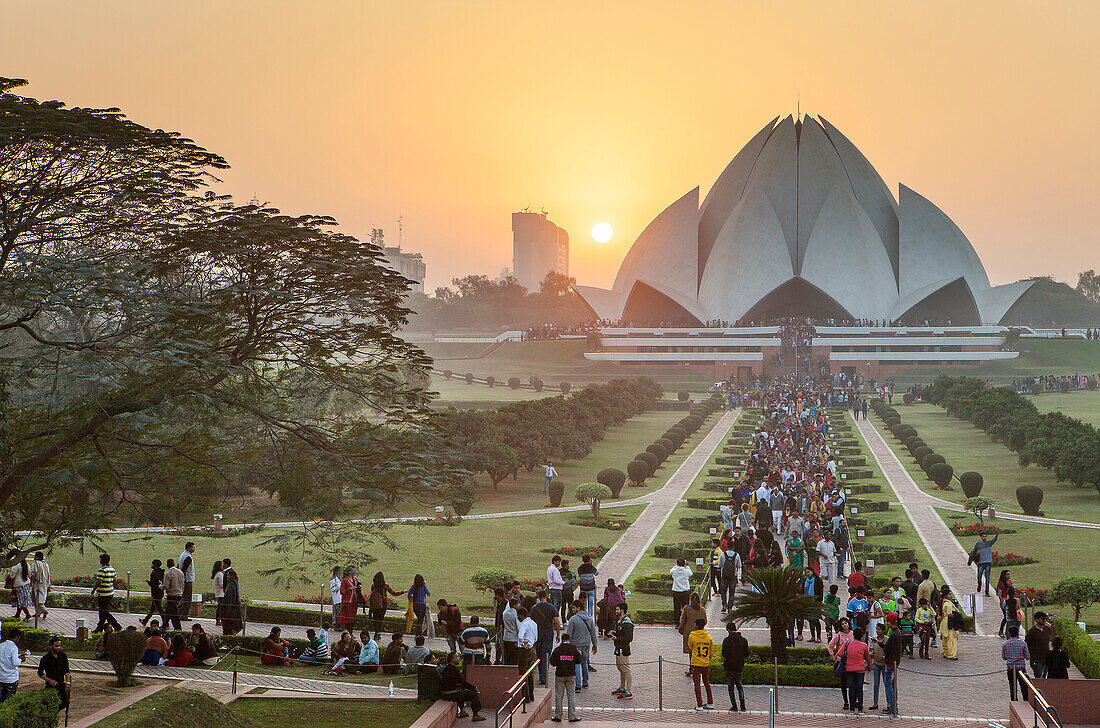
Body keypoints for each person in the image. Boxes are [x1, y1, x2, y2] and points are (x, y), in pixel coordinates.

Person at [440, 652, 487, 722]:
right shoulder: (454, 670)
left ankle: (462, 711)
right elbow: (463, 682)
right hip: (450, 694)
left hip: (446, 693)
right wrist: (474, 687)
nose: (459, 658)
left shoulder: (447, 668)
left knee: (461, 691)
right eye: (457, 657)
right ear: (452, 659)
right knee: (473, 694)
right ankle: (475, 715)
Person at [549, 633, 582, 723]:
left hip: (559, 674)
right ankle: (572, 716)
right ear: (569, 639)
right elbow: (579, 661)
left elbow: (552, 663)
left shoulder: (557, 650)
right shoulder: (574, 649)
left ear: (562, 640)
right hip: (571, 675)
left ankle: (558, 716)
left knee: (559, 695)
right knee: (571, 695)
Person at [565, 599, 597, 691]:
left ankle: (578, 683)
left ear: (579, 608)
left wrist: (566, 645)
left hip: (576, 644)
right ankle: (585, 681)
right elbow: (593, 633)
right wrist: (595, 645)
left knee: (577, 664)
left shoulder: (573, 619)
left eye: (574, 608)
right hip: (586, 643)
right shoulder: (589, 618)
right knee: (585, 662)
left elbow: (569, 634)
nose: (572, 610)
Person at [531, 590, 561, 686]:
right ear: (547, 596)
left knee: (539, 654)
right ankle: (544, 674)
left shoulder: (534, 608)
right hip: (548, 632)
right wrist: (558, 634)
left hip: (537, 633)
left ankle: (541, 675)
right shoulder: (551, 607)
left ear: (538, 597)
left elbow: (530, 622)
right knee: (546, 654)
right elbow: (556, 621)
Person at [827, 617, 855, 710]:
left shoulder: (853, 634)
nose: (845, 625)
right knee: (843, 683)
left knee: (852, 682)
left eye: (846, 623)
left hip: (851, 661)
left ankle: (853, 701)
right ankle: (846, 702)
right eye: (843, 624)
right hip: (842, 661)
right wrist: (834, 657)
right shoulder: (838, 636)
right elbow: (830, 646)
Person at [843, 627, 872, 714]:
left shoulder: (847, 644)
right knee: (859, 688)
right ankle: (860, 709)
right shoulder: (864, 645)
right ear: (862, 635)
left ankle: (852, 709)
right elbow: (868, 658)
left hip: (849, 669)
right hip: (860, 669)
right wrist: (869, 666)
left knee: (851, 688)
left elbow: (839, 654)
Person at [687, 617, 714, 711]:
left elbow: (690, 646)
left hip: (696, 663)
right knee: (707, 683)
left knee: (697, 684)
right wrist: (706, 659)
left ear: (697, 625)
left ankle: (699, 705)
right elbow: (711, 652)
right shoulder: (709, 637)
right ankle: (710, 703)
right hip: (705, 663)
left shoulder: (692, 636)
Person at [678, 592, 707, 676]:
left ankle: (692, 668)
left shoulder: (686, 608)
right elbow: (705, 621)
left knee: (691, 652)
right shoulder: (702, 610)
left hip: (689, 633)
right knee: (698, 651)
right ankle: (698, 668)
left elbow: (682, 619)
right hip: (700, 632)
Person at [722, 621, 748, 712]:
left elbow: (724, 654)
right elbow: (746, 654)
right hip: (739, 666)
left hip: (729, 667)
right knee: (739, 686)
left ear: (728, 630)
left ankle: (734, 706)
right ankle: (743, 706)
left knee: (731, 688)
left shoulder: (726, 640)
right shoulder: (743, 640)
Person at [93, 553, 122, 633]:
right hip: (110, 593)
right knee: (102, 612)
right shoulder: (112, 569)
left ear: (102, 561)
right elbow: (115, 581)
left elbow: (99, 581)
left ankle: (116, 625)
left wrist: (94, 589)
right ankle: (99, 629)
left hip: (103, 594)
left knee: (103, 611)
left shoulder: (102, 570)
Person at [610, 602, 633, 700]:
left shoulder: (627, 622)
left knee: (626, 669)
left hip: (623, 649)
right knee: (620, 668)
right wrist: (613, 633)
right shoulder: (619, 621)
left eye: (617, 609)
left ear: (622, 610)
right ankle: (622, 687)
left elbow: (628, 638)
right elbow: (620, 633)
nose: (615, 611)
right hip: (618, 648)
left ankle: (628, 690)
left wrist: (616, 638)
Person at [38, 636, 69, 710]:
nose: (58, 648)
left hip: (61, 683)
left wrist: (68, 682)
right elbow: (40, 672)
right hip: (50, 685)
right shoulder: (45, 658)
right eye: (56, 646)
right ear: (51, 646)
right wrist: (49, 680)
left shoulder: (63, 656)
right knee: (50, 704)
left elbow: (66, 670)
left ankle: (54, 713)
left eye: (59, 646)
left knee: (65, 703)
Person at [369, 571, 401, 640]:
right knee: (380, 619)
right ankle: (378, 633)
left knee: (376, 619)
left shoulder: (373, 586)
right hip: (383, 604)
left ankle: (376, 632)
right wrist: (403, 592)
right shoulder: (385, 586)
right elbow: (394, 593)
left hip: (375, 603)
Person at [1002, 625, 1030, 701]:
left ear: (1009, 633)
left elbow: (1004, 657)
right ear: (1018, 633)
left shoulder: (1005, 644)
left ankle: (1014, 702)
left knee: (1012, 687)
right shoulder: (1022, 643)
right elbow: (1027, 656)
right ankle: (1026, 701)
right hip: (1021, 668)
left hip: (1010, 669)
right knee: (1024, 687)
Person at [798, 567, 824, 642]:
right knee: (810, 620)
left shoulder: (818, 581)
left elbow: (820, 593)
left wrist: (819, 603)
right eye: (806, 572)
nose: (807, 574)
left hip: (815, 603)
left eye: (808, 572)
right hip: (807, 603)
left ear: (812, 572)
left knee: (816, 620)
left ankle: (818, 637)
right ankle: (813, 636)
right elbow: (803, 590)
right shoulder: (805, 580)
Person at [969, 532, 998, 597]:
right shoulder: (978, 544)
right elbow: (973, 551)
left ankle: (987, 591)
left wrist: (997, 533)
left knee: (987, 577)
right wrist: (974, 555)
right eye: (983, 536)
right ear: (981, 537)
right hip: (981, 563)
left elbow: (994, 540)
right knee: (979, 576)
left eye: (985, 536)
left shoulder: (989, 543)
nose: (984, 538)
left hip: (988, 562)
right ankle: (979, 585)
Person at [1025, 612, 1051, 679]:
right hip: (1036, 659)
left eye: (1045, 619)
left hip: (1046, 659)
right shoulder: (1032, 631)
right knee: (1039, 678)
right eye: (1042, 619)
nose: (1044, 621)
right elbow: (1027, 644)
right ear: (1036, 620)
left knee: (1044, 677)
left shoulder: (1047, 629)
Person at [141, 559, 165, 628]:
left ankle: (166, 623)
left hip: (155, 593)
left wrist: (148, 583)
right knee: (153, 608)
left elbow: (153, 584)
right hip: (160, 592)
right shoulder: (161, 572)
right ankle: (145, 621)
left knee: (159, 609)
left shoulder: (153, 573)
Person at [161, 558, 184, 632]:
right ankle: (164, 625)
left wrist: (159, 586)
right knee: (169, 611)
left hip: (172, 595)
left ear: (167, 565)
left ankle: (178, 628)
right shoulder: (180, 572)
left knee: (173, 613)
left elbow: (166, 586)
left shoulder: (168, 574)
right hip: (179, 594)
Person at [939, 587, 961, 660]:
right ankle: (951, 655)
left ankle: (946, 653)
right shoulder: (948, 604)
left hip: (944, 622)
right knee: (951, 639)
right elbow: (949, 614)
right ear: (945, 596)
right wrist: (957, 615)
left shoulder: (943, 602)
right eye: (949, 594)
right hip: (949, 621)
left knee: (945, 639)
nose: (951, 596)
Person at [718, 544, 741, 613]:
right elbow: (739, 565)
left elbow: (720, 565)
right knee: (732, 591)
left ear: (727, 547)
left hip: (724, 575)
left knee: (723, 590)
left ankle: (724, 605)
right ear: (733, 547)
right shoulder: (736, 555)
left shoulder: (723, 554)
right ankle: (730, 606)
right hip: (733, 576)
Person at [0, 628, 21, 702]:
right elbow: (15, 663)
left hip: (1, 677)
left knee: (1, 699)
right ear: (17, 637)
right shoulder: (14, 648)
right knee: (9, 701)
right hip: (11, 678)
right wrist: (21, 660)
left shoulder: (1, 645)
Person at [670, 558, 693, 625]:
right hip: (685, 591)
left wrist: (676, 565)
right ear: (684, 564)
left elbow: (671, 570)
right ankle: (685, 622)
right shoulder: (686, 571)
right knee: (685, 608)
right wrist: (687, 566)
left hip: (676, 591)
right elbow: (691, 573)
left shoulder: (674, 571)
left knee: (676, 608)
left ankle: (677, 623)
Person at [178, 541, 196, 622]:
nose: (194, 549)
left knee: (183, 597)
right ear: (188, 548)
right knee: (187, 598)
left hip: (184, 579)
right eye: (193, 547)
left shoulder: (183, 555)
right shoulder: (188, 557)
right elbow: (184, 569)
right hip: (187, 580)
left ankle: (180, 614)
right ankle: (184, 615)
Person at [221, 566, 242, 636]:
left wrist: (227, 610)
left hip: (230, 610)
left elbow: (229, 599)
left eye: (228, 575)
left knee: (228, 628)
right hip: (234, 609)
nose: (227, 577)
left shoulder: (231, 585)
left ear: (231, 576)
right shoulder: (235, 583)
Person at [30, 552, 50, 622]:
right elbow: (48, 574)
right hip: (44, 583)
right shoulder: (46, 564)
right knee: (36, 598)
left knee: (38, 598)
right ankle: (38, 612)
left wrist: (31, 580)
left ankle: (44, 610)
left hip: (37, 583)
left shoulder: (36, 564)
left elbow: (33, 573)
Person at [501, 597, 520, 665]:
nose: (519, 606)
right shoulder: (516, 615)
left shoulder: (505, 613)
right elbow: (518, 627)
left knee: (507, 658)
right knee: (514, 659)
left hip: (506, 637)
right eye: (518, 604)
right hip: (514, 638)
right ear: (514, 605)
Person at [211, 560, 225, 626]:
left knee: (220, 607)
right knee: (221, 607)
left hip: (219, 593)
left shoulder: (217, 574)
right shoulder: (220, 574)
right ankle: (219, 620)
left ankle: (218, 620)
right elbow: (221, 584)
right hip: (221, 593)